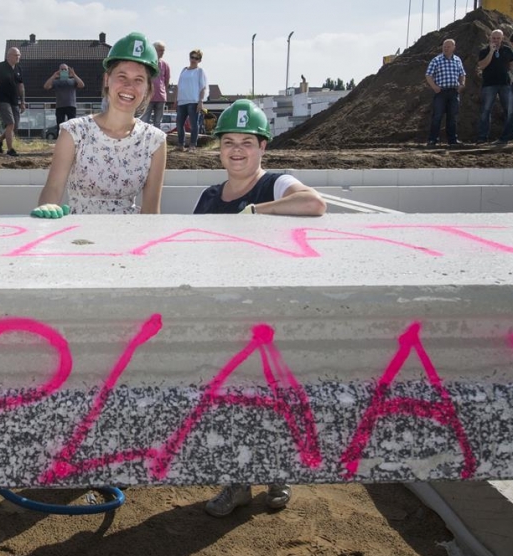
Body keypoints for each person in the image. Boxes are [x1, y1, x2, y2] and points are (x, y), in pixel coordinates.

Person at [197, 100, 325, 517]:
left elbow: (313, 203)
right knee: (233, 402)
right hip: (228, 315)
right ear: (219, 148)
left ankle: (277, 473)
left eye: (247, 142)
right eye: (229, 142)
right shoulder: (210, 197)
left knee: (274, 397)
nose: (237, 150)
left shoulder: (273, 183)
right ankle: (237, 482)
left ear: (262, 147)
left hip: (272, 317)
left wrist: (255, 211)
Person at [32, 31, 166, 218]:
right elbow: (53, 189)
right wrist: (47, 211)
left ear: (147, 88)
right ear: (107, 79)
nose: (129, 86)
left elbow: (151, 210)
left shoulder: (155, 141)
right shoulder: (74, 132)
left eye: (138, 80)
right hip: (78, 233)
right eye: (122, 76)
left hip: (130, 234)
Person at [424, 38, 466, 148]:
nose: (446, 48)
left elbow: (462, 74)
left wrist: (462, 84)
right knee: (437, 116)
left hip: (454, 92)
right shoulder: (436, 60)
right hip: (441, 92)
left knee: (452, 117)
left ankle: (452, 140)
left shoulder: (457, 60)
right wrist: (434, 87)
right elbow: (428, 75)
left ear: (453, 48)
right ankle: (432, 140)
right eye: (444, 46)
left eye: (448, 47)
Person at [475, 29, 513, 145]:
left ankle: (511, 134)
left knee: (509, 109)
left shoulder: (507, 50)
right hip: (489, 84)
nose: (496, 40)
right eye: (494, 38)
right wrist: (491, 52)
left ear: (502, 38)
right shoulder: (484, 51)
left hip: (505, 84)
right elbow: (482, 66)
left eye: (498, 38)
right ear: (490, 38)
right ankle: (482, 137)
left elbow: (512, 65)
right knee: (486, 110)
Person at [0, 47, 25, 156]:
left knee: (14, 127)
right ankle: (10, 150)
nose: (18, 57)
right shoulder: (0, 66)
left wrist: (22, 102)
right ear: (9, 56)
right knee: (10, 123)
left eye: (19, 55)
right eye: (16, 55)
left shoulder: (18, 69)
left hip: (14, 100)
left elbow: (21, 86)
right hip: (3, 99)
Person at [176, 48, 207, 151]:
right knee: (179, 124)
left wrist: (200, 101)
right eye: (192, 57)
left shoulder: (200, 71)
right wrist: (176, 99)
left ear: (199, 60)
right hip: (182, 101)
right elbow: (179, 85)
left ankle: (193, 145)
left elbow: (203, 87)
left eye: (196, 58)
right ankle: (181, 144)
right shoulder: (184, 70)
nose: (193, 60)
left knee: (194, 124)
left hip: (193, 101)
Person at [140, 40, 170, 129]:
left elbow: (167, 80)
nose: (162, 52)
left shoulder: (165, 64)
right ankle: (143, 136)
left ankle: (156, 137)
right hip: (148, 96)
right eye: (160, 50)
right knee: (144, 120)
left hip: (161, 97)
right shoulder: (147, 63)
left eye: (163, 50)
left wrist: (164, 90)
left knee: (158, 122)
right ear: (154, 50)